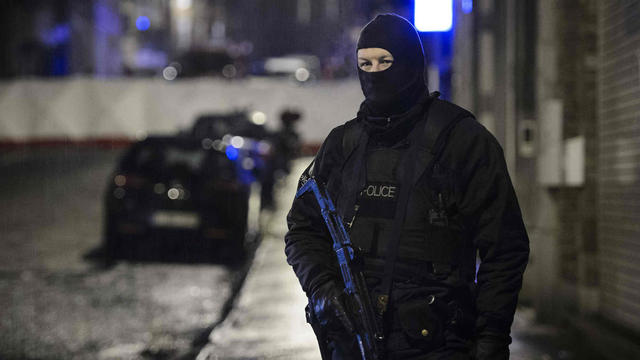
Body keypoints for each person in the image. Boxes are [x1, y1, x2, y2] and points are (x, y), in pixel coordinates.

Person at [285, 14, 529, 360]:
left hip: (440, 342)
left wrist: (491, 337)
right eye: (364, 63)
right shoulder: (343, 145)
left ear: (411, 63)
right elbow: (303, 230)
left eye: (385, 61)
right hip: (356, 341)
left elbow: (504, 249)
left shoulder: (461, 140)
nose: (374, 73)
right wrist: (322, 288)